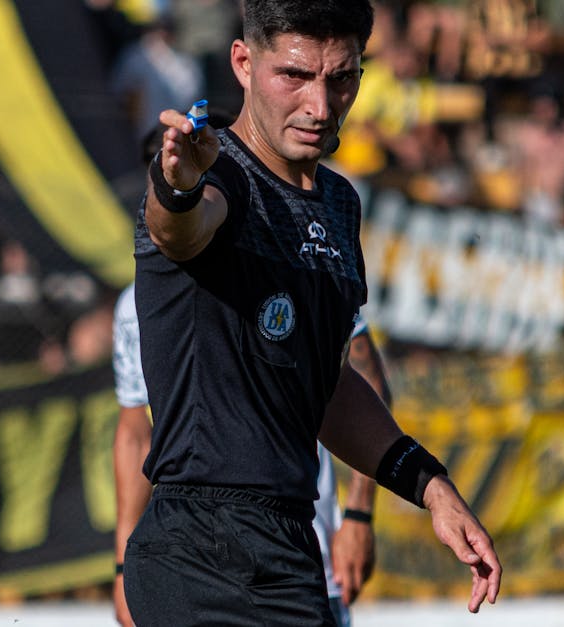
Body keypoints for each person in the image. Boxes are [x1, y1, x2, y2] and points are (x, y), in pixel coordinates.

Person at [124, 1, 501, 624]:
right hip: (199, 548)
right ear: (243, 63)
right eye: (295, 76)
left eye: (342, 78)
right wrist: (177, 187)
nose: (321, 106)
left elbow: (324, 384)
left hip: (291, 545)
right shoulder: (218, 178)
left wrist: (431, 487)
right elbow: (179, 232)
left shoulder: (338, 204)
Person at [112, 284, 386, 626]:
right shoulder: (136, 301)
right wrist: (122, 565)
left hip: (296, 556)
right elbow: (136, 433)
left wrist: (358, 514)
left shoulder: (300, 270)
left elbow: (364, 382)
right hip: (187, 563)